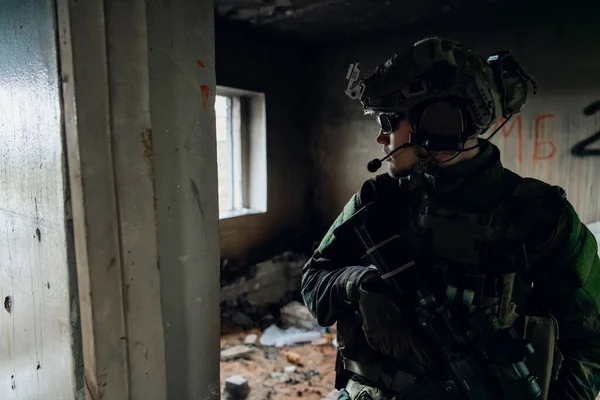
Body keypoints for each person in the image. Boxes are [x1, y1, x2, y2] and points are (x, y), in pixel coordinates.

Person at [301, 37, 600, 400]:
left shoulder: (542, 217)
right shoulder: (377, 200)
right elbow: (314, 281)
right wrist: (360, 284)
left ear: (438, 122)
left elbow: (591, 344)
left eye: (389, 120)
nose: (381, 137)